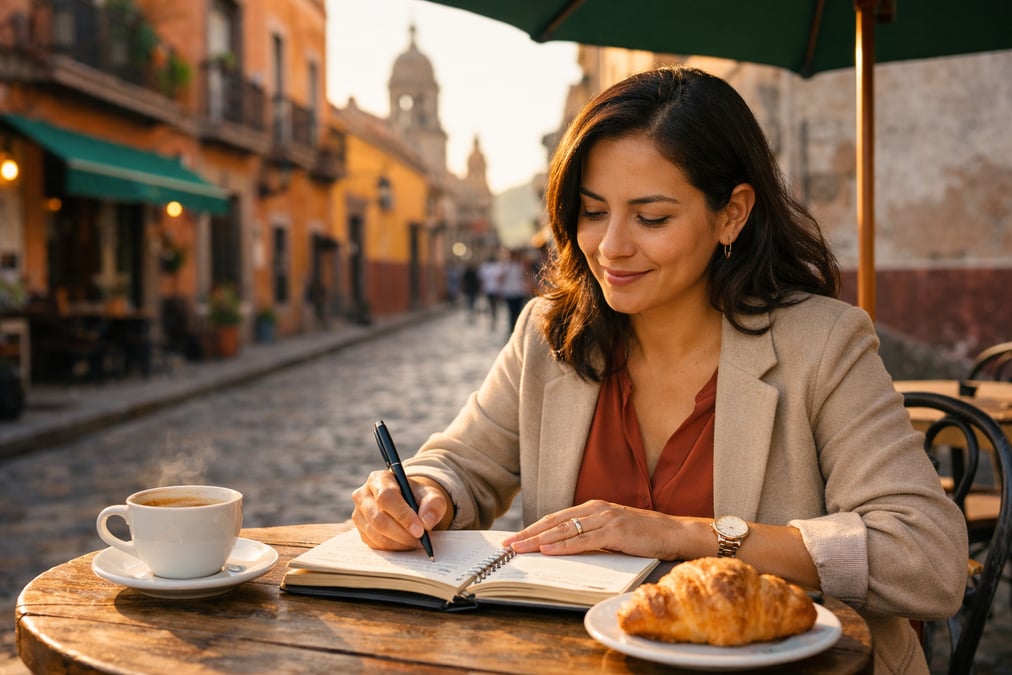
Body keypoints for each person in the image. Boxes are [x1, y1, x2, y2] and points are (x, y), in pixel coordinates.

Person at [352, 67, 966, 674]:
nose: (612, 246)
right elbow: (460, 465)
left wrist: (687, 535)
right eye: (593, 212)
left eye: (651, 218)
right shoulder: (548, 334)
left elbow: (927, 559)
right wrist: (419, 495)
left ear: (731, 214)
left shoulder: (821, 343)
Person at [500, 249, 532, 335]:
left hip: (514, 291)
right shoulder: (515, 266)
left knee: (513, 312)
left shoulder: (514, 265)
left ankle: (513, 330)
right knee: (515, 312)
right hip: (515, 291)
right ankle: (514, 330)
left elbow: (501, 279)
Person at [478, 254, 503, 329]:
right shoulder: (497, 266)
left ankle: (493, 316)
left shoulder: (485, 267)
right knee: (493, 304)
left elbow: (482, 279)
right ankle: (493, 316)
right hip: (493, 288)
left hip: (490, 288)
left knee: (492, 303)